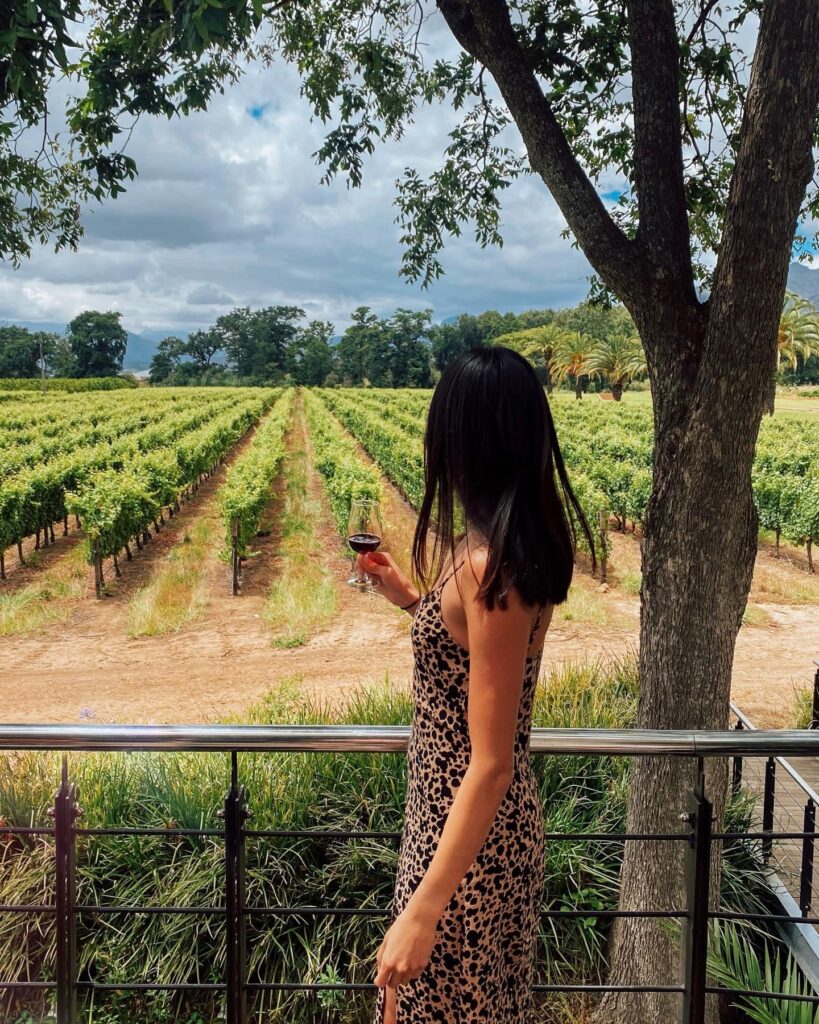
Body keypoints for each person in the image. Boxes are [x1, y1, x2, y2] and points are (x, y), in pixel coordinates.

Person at [356, 346, 595, 1024]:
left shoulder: (489, 568)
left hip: (465, 835)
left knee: (433, 1006)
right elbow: (478, 661)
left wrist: (423, 911)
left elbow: (488, 763)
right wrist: (410, 600)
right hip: (470, 826)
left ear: (460, 442)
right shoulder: (502, 549)